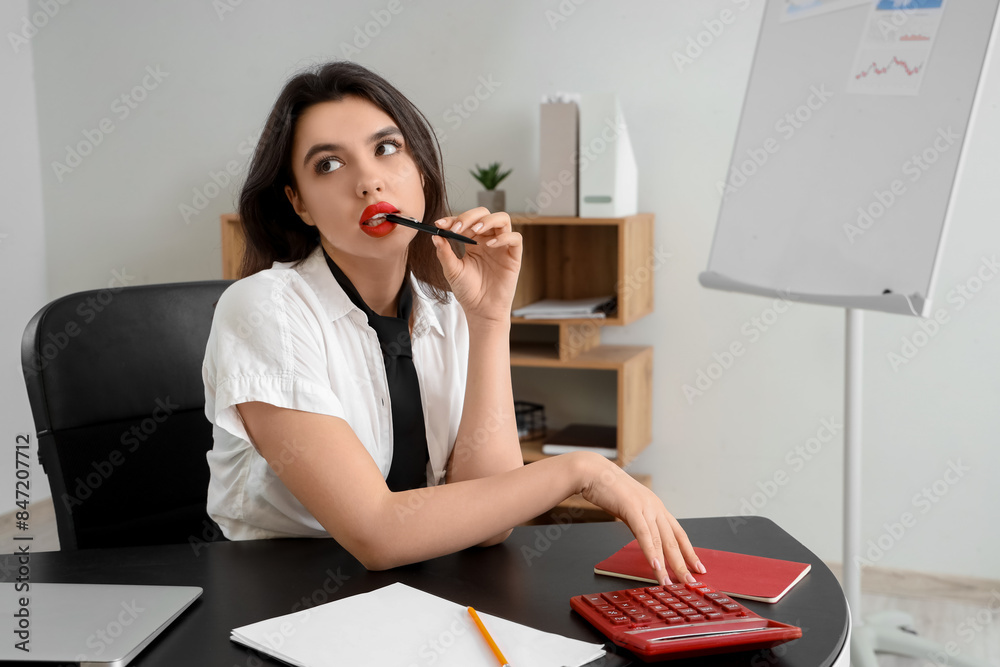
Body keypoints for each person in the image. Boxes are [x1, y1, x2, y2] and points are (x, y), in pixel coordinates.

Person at [202, 61, 704, 585]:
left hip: (418, 580)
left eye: (386, 148)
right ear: (298, 202)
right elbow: (377, 533)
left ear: (420, 170)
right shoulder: (264, 310)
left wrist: (489, 321)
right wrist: (582, 470)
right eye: (329, 164)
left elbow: (491, 523)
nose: (368, 181)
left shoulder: (445, 307)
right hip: (282, 590)